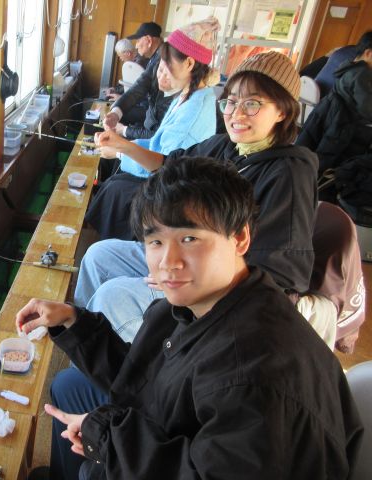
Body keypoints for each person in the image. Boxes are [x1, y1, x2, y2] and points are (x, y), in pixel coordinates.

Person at [16, 158, 362, 480]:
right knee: (68, 385)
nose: (169, 262)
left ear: (240, 238)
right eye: (155, 241)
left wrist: (104, 435)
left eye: (189, 238)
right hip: (181, 433)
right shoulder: (206, 302)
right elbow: (146, 377)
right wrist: (74, 323)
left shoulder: (253, 375)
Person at [78, 51, 317, 344]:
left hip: (218, 293)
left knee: (113, 296)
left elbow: (283, 277)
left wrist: (187, 281)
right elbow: (168, 164)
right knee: (98, 256)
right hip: (183, 256)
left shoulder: (289, 174)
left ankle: (136, 364)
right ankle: (85, 345)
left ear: (283, 112)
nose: (237, 114)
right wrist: (123, 146)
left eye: (252, 103)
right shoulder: (224, 147)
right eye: (231, 102)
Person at [86, 17, 220, 240]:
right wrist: (123, 145)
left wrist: (120, 151)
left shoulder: (193, 111)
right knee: (115, 183)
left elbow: (162, 166)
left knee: (116, 191)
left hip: (172, 195)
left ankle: (110, 245)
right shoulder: (189, 96)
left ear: (189, 64)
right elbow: (157, 142)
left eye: (166, 66)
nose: (160, 73)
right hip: (164, 178)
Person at [296, 30, 372, 204]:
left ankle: (310, 191)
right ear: (368, 53)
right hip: (340, 126)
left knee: (321, 158)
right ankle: (316, 196)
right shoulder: (361, 74)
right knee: (326, 161)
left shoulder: (349, 67)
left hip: (333, 119)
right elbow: (367, 108)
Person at [104, 22, 164, 128]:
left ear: (149, 41)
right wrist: (117, 110)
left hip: (153, 116)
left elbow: (140, 89)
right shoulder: (154, 58)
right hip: (150, 112)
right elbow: (139, 86)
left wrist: (123, 128)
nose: (136, 45)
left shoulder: (161, 60)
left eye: (138, 40)